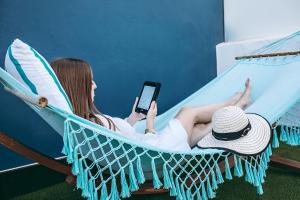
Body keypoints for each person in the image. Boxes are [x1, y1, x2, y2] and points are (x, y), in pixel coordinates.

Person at [50, 58, 251, 151]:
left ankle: (232, 112)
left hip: (147, 146)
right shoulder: (95, 123)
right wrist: (150, 126)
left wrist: (133, 118)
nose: (95, 85)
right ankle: (233, 104)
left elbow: (120, 140)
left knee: (198, 128)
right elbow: (143, 149)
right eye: (90, 81)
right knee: (187, 112)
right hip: (154, 151)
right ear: (77, 87)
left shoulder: (87, 122)